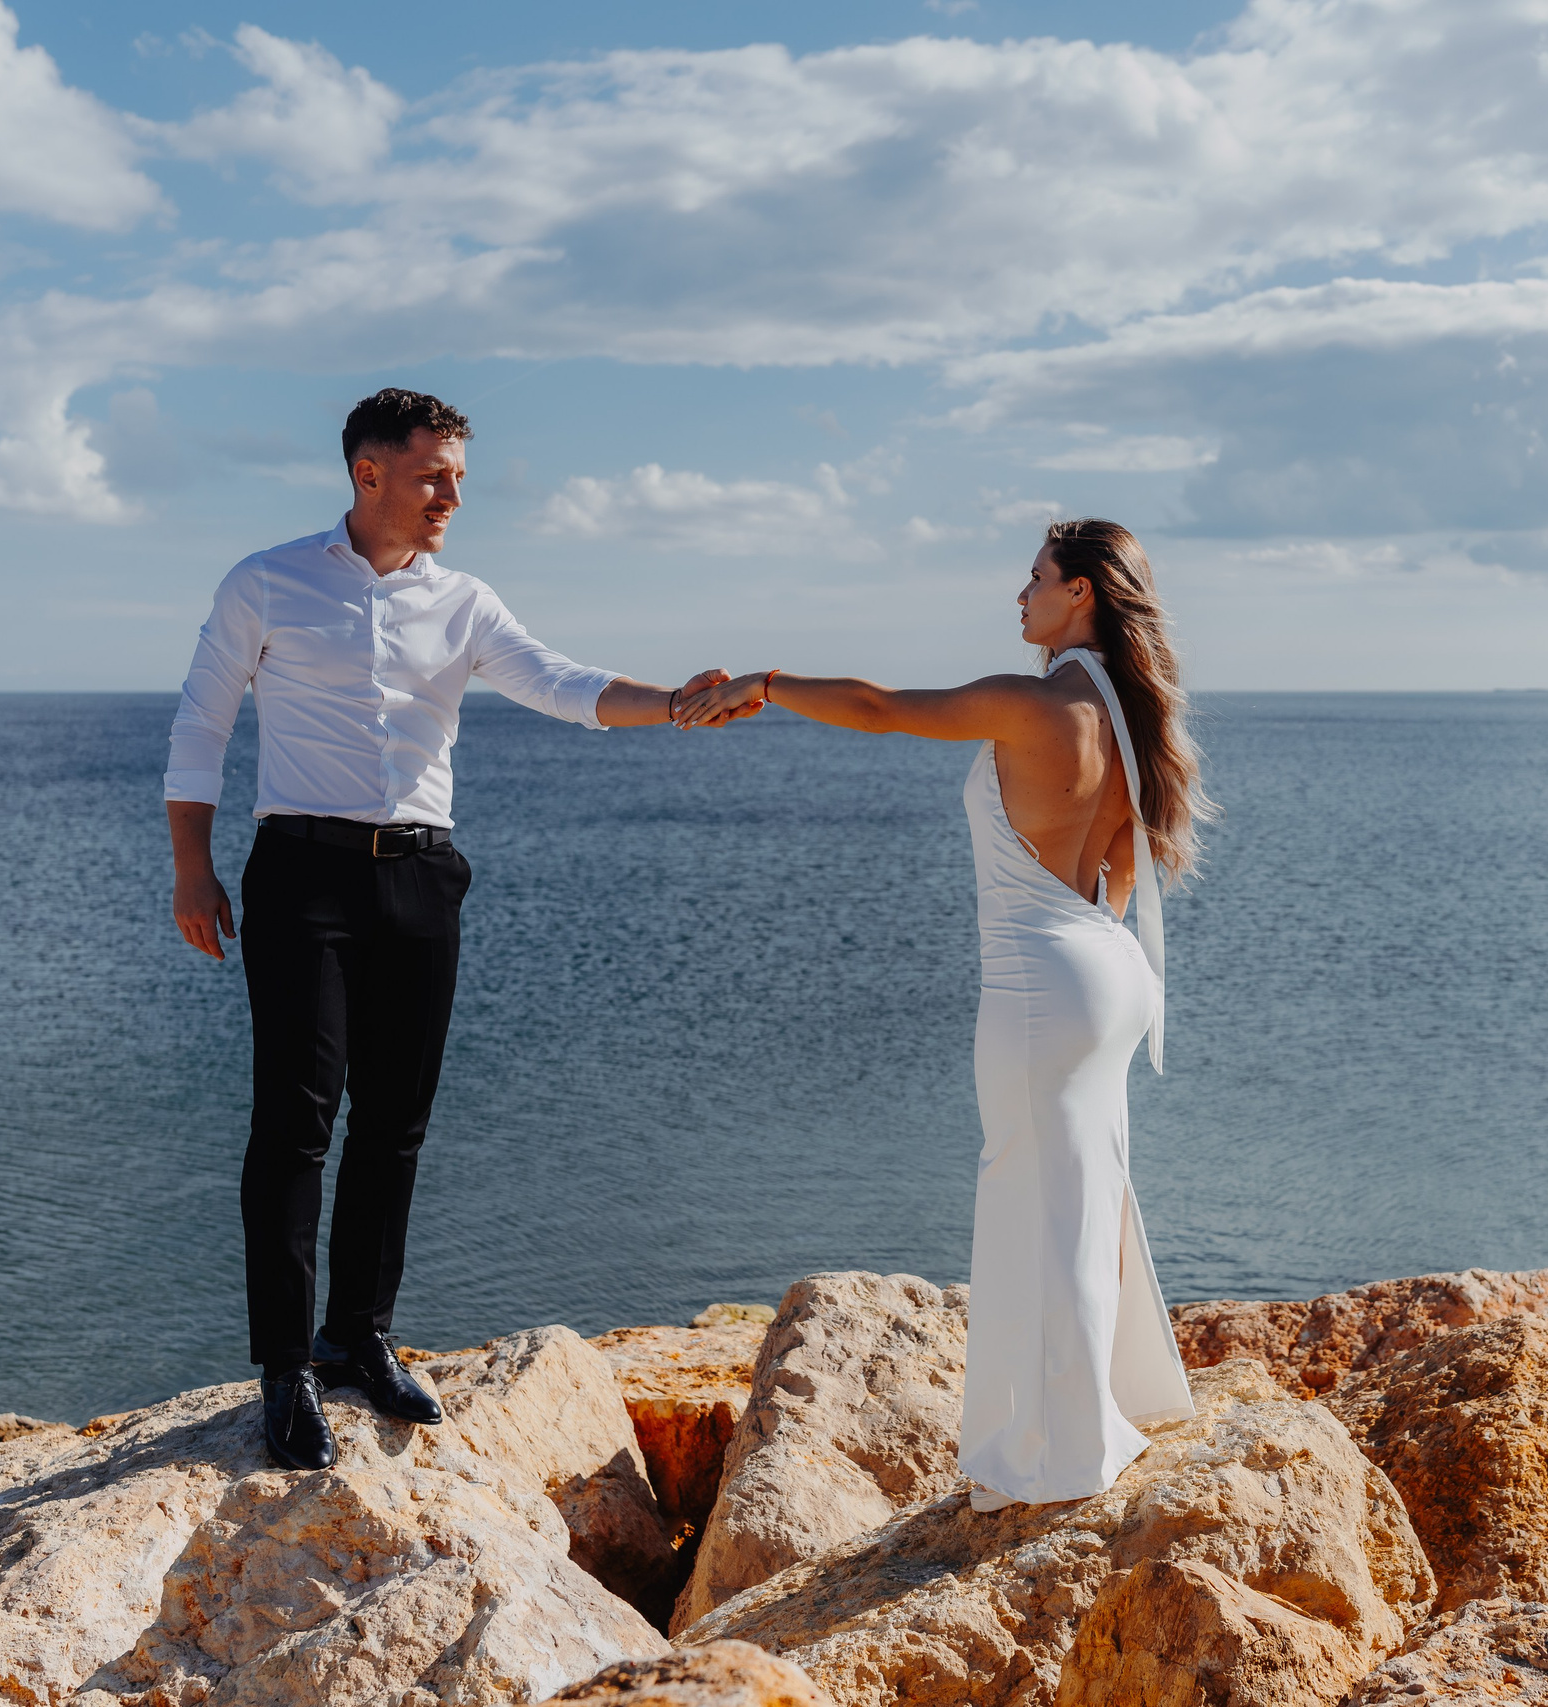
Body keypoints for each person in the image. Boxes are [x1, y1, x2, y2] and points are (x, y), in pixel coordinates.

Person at [164, 388, 722, 1471]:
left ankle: (358, 1336)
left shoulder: (464, 600)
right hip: (302, 876)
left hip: (421, 876)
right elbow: (201, 722)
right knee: (294, 1121)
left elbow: (558, 682)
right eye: (433, 476)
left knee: (396, 1121)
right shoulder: (266, 579)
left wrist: (678, 702)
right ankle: (283, 1369)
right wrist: (193, 868)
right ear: (368, 473)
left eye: (459, 477)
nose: (452, 497)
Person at [676, 518, 1213, 1508]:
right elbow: (1119, 862)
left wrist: (764, 682)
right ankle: (1116, 1399)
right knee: (1087, 1192)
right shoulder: (1132, 708)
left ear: (1082, 593)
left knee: (1028, 1200)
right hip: (1111, 966)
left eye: (1036, 579)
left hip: (1042, 980)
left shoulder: (1036, 700)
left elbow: (880, 708)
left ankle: (1058, 1454)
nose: (1020, 596)